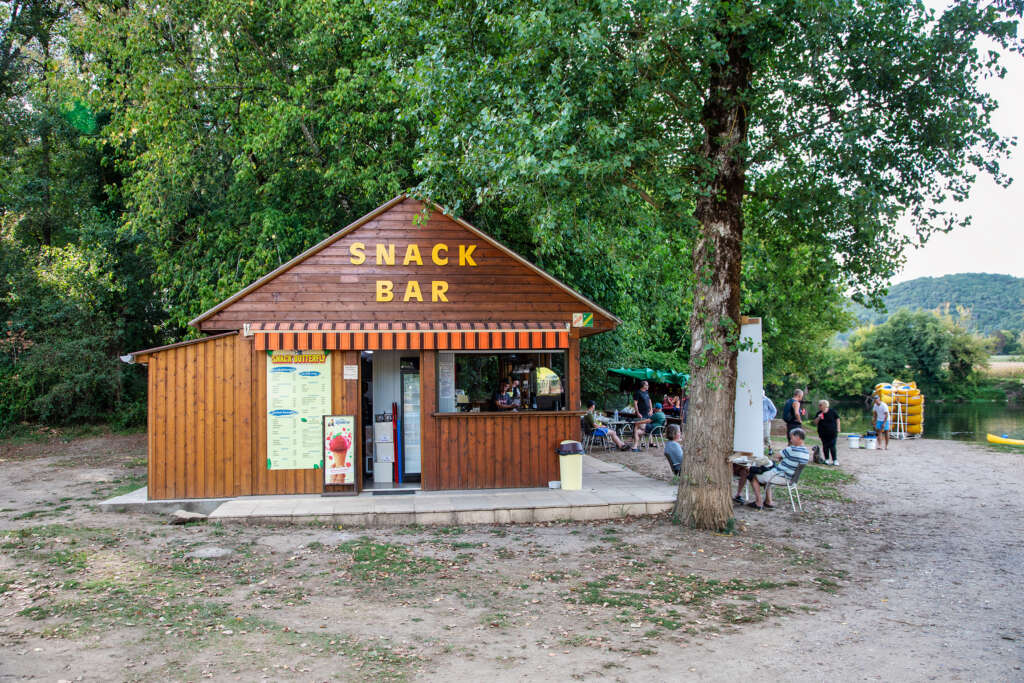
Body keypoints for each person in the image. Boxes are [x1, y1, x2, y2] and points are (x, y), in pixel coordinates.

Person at [747, 427, 811, 509]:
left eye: (791, 438)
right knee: (767, 473)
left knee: (753, 475)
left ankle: (758, 502)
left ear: (797, 437)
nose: (790, 440)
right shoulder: (806, 452)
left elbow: (777, 456)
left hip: (782, 476)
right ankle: (768, 501)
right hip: (792, 478)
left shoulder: (792, 449)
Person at [814, 399, 841, 465]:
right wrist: (819, 417)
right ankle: (827, 459)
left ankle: (835, 460)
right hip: (822, 432)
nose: (819, 406)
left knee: (832, 445)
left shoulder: (832, 412)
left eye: (820, 405)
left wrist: (838, 428)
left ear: (825, 405)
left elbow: (837, 420)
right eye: (819, 405)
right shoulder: (819, 413)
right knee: (825, 445)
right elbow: (815, 422)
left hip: (832, 432)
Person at [762, 391, 777, 455]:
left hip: (766, 421)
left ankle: (770, 448)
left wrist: (770, 418)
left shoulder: (767, 400)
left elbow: (774, 410)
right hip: (757, 421)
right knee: (759, 436)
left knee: (766, 436)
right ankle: (760, 450)